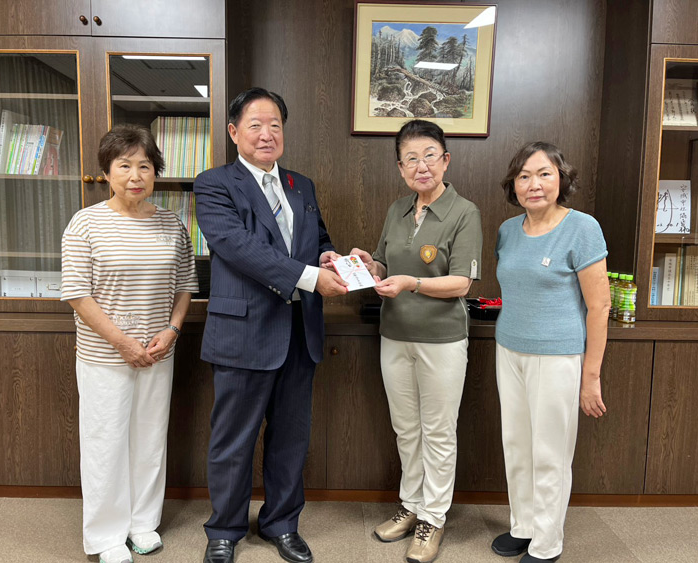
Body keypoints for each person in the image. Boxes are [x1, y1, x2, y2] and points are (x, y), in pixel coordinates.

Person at [194, 87, 348, 563]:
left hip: (300, 332)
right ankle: (224, 530)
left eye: (275, 125)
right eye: (255, 125)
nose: (267, 134)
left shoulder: (301, 185)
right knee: (233, 440)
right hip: (243, 332)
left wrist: (331, 258)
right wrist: (311, 276)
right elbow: (237, 246)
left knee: (291, 439)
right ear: (234, 131)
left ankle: (281, 524)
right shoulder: (214, 183)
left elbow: (317, 241)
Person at [61, 124, 199, 563]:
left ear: (155, 171)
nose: (136, 175)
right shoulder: (86, 223)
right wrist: (123, 343)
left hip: (158, 353)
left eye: (145, 166)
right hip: (105, 355)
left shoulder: (171, 223)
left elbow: (185, 285)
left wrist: (173, 330)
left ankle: (142, 523)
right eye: (124, 166)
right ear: (107, 173)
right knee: (105, 443)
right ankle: (106, 536)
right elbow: (77, 294)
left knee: (149, 439)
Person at [350, 119, 482, 563]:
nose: (420, 165)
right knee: (406, 428)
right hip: (395, 335)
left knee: (438, 431)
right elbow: (384, 265)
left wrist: (412, 283)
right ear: (400, 167)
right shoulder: (397, 210)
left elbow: (462, 283)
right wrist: (368, 264)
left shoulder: (464, 212)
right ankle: (411, 505)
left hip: (442, 340)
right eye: (410, 158)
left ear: (445, 160)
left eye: (429, 155)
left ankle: (434, 517)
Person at [491, 141, 610, 562]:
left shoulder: (582, 228)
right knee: (517, 445)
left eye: (544, 174)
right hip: (509, 350)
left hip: (557, 356)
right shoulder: (508, 230)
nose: (534, 184)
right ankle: (523, 527)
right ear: (514, 185)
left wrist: (590, 377)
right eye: (524, 176)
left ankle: (546, 543)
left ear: (562, 179)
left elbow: (600, 306)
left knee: (550, 452)